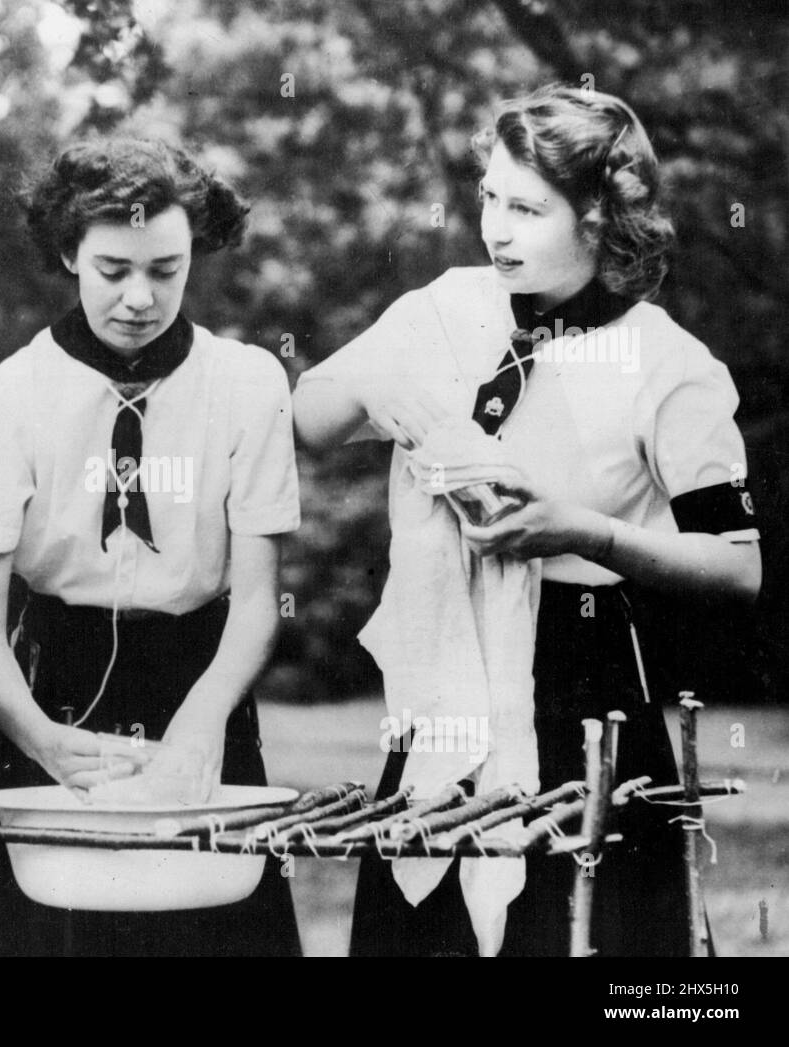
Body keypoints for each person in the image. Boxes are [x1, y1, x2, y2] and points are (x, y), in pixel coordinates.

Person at [293, 84, 761, 957]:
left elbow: (738, 566)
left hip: (581, 691)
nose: (495, 229)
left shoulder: (668, 363)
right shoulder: (445, 307)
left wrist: (584, 531)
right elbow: (306, 420)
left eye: (526, 208)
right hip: (441, 684)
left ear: (598, 216)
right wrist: (363, 384)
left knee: (575, 935)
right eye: (488, 200)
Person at [0, 137, 304, 957]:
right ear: (68, 252)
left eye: (166, 270)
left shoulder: (247, 385)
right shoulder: (7, 393)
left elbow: (257, 600)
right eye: (113, 269)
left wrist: (202, 726)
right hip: (40, 683)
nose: (140, 297)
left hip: (200, 678)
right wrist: (39, 738)